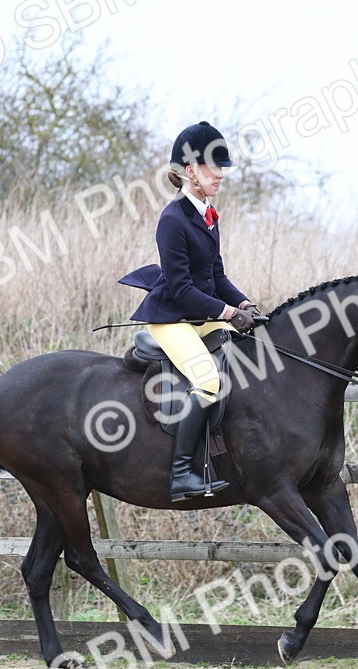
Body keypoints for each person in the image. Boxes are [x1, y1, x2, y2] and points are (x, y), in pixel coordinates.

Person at [119, 121, 261, 502]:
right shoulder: (173, 219)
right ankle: (181, 474)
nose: (221, 175)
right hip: (172, 319)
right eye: (215, 168)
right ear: (191, 171)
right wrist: (229, 313)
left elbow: (216, 275)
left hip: (202, 315)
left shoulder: (209, 215)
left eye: (223, 168)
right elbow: (181, 289)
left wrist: (246, 304)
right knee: (209, 380)